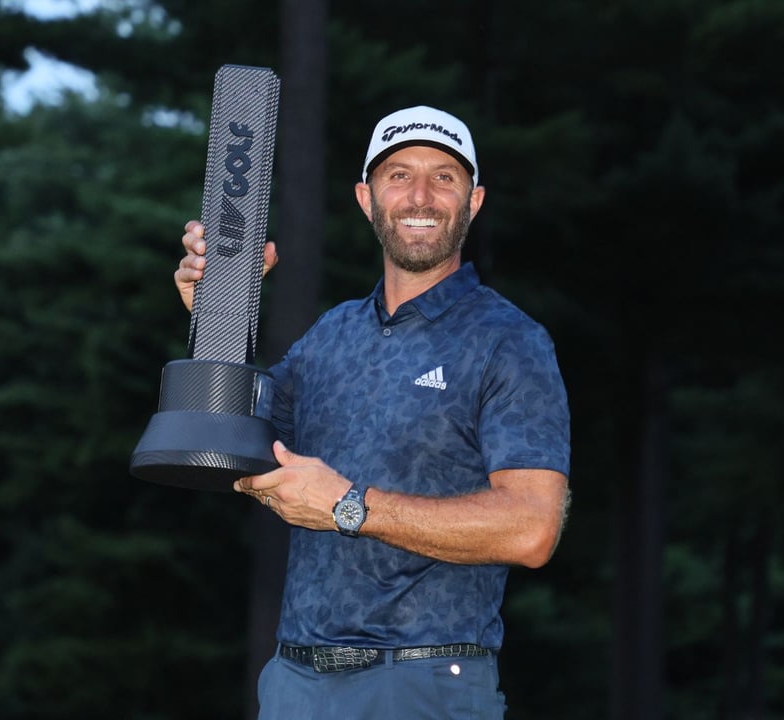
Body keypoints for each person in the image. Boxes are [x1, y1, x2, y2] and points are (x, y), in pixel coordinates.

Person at [174, 106, 571, 719]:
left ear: (475, 201)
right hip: (295, 685)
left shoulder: (508, 340)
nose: (420, 195)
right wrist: (217, 318)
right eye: (397, 174)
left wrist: (348, 505)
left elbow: (532, 527)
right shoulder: (330, 336)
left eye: (444, 177)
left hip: (426, 682)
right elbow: (231, 445)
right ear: (366, 198)